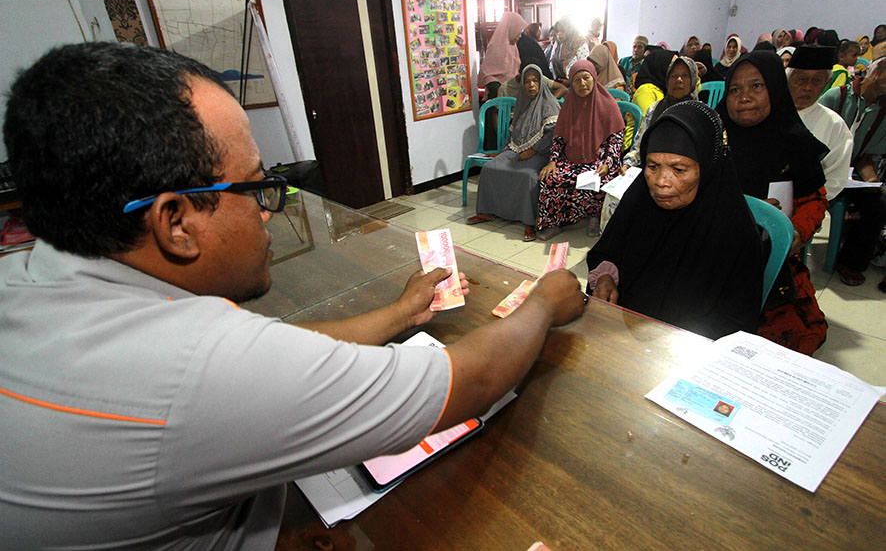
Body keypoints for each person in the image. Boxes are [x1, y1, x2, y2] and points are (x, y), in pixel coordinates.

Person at [0, 42, 587, 549]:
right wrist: (541, 303)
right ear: (175, 222)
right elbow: (472, 380)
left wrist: (399, 313)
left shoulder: (28, 278)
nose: (267, 212)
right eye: (256, 187)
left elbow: (278, 350)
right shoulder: (191, 372)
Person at [586, 100, 763, 340]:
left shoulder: (734, 233)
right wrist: (606, 278)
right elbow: (606, 250)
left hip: (686, 347)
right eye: (652, 166)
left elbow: (734, 323)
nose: (661, 181)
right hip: (622, 328)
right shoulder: (639, 202)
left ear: (707, 169)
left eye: (679, 169)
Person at [717, 50, 830, 354]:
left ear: (776, 89)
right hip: (713, 248)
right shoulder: (714, 138)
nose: (744, 97)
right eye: (735, 90)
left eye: (757, 86)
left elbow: (814, 200)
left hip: (770, 255)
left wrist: (794, 232)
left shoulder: (795, 141)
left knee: (778, 342)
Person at [468, 62, 561, 241]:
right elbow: (515, 135)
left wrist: (533, 150)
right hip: (516, 149)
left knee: (528, 176)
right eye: (527, 81)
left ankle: (529, 222)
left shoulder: (550, 104)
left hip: (542, 152)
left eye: (535, 81)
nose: (531, 85)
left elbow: (553, 137)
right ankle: (487, 212)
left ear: (542, 82)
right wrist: (502, 152)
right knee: (490, 168)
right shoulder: (522, 103)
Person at [536, 60, 624, 240]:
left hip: (601, 160)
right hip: (572, 158)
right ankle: (555, 222)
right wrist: (552, 161)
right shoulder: (569, 105)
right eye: (576, 80)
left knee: (600, 179)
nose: (582, 83)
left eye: (586, 78)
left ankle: (594, 217)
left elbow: (616, 141)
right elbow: (559, 138)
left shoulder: (608, 105)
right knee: (551, 179)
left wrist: (607, 164)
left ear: (594, 79)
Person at [819, 56, 886, 289]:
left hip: (850, 175)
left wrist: (872, 181)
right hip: (820, 168)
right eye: (883, 70)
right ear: (868, 71)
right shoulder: (836, 97)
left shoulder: (882, 111)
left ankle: (850, 263)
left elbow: (866, 157)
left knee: (876, 205)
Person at [786, 46, 853, 202]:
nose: (808, 87)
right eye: (801, 79)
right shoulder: (764, 112)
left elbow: (834, 179)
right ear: (787, 79)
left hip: (806, 204)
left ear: (827, 83)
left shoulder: (835, 125)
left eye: (817, 81)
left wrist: (805, 202)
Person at [623, 55, 699, 171]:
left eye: (685, 75)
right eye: (674, 76)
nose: (679, 80)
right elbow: (640, 145)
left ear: (693, 79)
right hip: (652, 169)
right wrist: (628, 164)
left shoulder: (699, 113)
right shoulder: (655, 108)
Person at [628, 48, 678, 149]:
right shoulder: (646, 91)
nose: (676, 70)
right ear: (661, 66)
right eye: (673, 65)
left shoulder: (664, 88)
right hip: (636, 146)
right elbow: (647, 125)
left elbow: (692, 89)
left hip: (656, 140)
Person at [478, 12, 528, 100]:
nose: (520, 36)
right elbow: (487, 73)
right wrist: (500, 88)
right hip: (497, 94)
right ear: (511, 29)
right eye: (518, 33)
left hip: (512, 89)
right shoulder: (495, 46)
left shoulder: (513, 46)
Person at [551, 17, 590, 84]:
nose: (559, 34)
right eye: (558, 31)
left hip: (576, 84)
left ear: (570, 30)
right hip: (559, 84)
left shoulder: (580, 44)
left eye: (563, 31)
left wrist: (570, 82)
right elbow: (551, 63)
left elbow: (585, 69)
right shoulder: (557, 44)